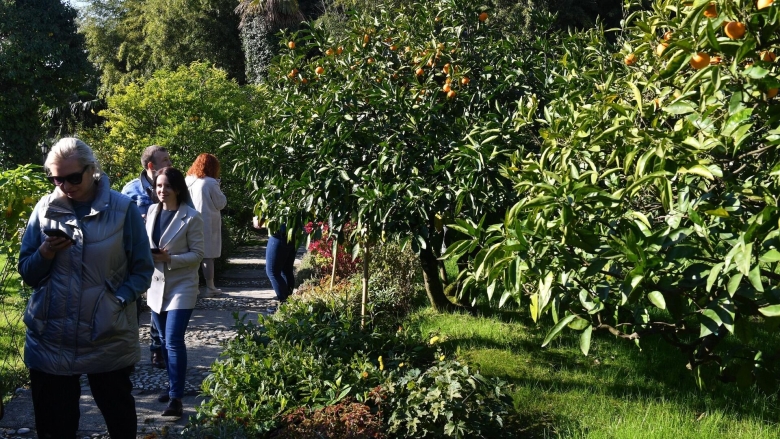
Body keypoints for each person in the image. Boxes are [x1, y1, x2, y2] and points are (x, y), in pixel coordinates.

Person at [18, 137, 153, 439]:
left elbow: (143, 269)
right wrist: (46, 252)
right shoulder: (44, 208)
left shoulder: (122, 209)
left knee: (119, 420)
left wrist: (117, 300)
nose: (64, 185)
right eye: (55, 178)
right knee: (54, 426)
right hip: (51, 338)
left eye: (72, 177)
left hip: (105, 333)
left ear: (92, 170)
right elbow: (27, 272)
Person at [146, 167, 204, 418]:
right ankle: (172, 387)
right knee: (162, 341)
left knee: (173, 341)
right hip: (155, 285)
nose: (161, 190)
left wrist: (170, 258)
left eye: (166, 186)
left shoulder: (192, 217)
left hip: (182, 285)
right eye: (158, 186)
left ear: (177, 188)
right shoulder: (151, 211)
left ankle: (176, 399)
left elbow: (198, 254)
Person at [121, 145, 172, 369]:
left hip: (160, 255)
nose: (170, 164)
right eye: (165, 160)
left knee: (157, 304)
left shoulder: (172, 186)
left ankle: (157, 349)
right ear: (151, 166)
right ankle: (126, 354)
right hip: (132, 256)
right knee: (131, 306)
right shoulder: (130, 191)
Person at [185, 153, 227, 297]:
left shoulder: (188, 181)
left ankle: (193, 287)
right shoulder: (210, 182)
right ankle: (210, 287)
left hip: (190, 221)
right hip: (208, 222)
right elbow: (220, 203)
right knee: (208, 256)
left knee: (193, 254)